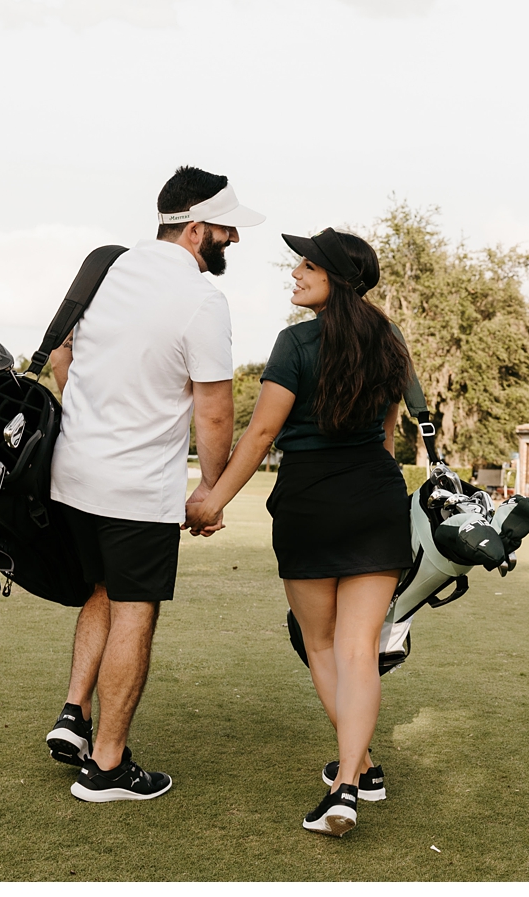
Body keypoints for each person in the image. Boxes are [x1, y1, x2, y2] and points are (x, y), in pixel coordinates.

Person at [185, 227, 421, 837]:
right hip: (376, 497)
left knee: (321, 646)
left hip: (311, 503)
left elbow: (261, 435)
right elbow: (390, 437)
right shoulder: (390, 342)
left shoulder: (294, 342)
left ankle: (352, 777)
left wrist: (212, 501)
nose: (294, 273)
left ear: (336, 278)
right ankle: (355, 773)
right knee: (358, 649)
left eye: (306, 265)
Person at [43, 166, 264, 801]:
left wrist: (89, 420)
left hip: (72, 472)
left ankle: (74, 713)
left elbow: (62, 355)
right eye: (226, 230)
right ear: (197, 229)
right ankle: (108, 768)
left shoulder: (108, 267)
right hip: (136, 487)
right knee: (136, 609)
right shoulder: (202, 299)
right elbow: (215, 411)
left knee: (103, 591)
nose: (234, 241)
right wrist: (212, 493)